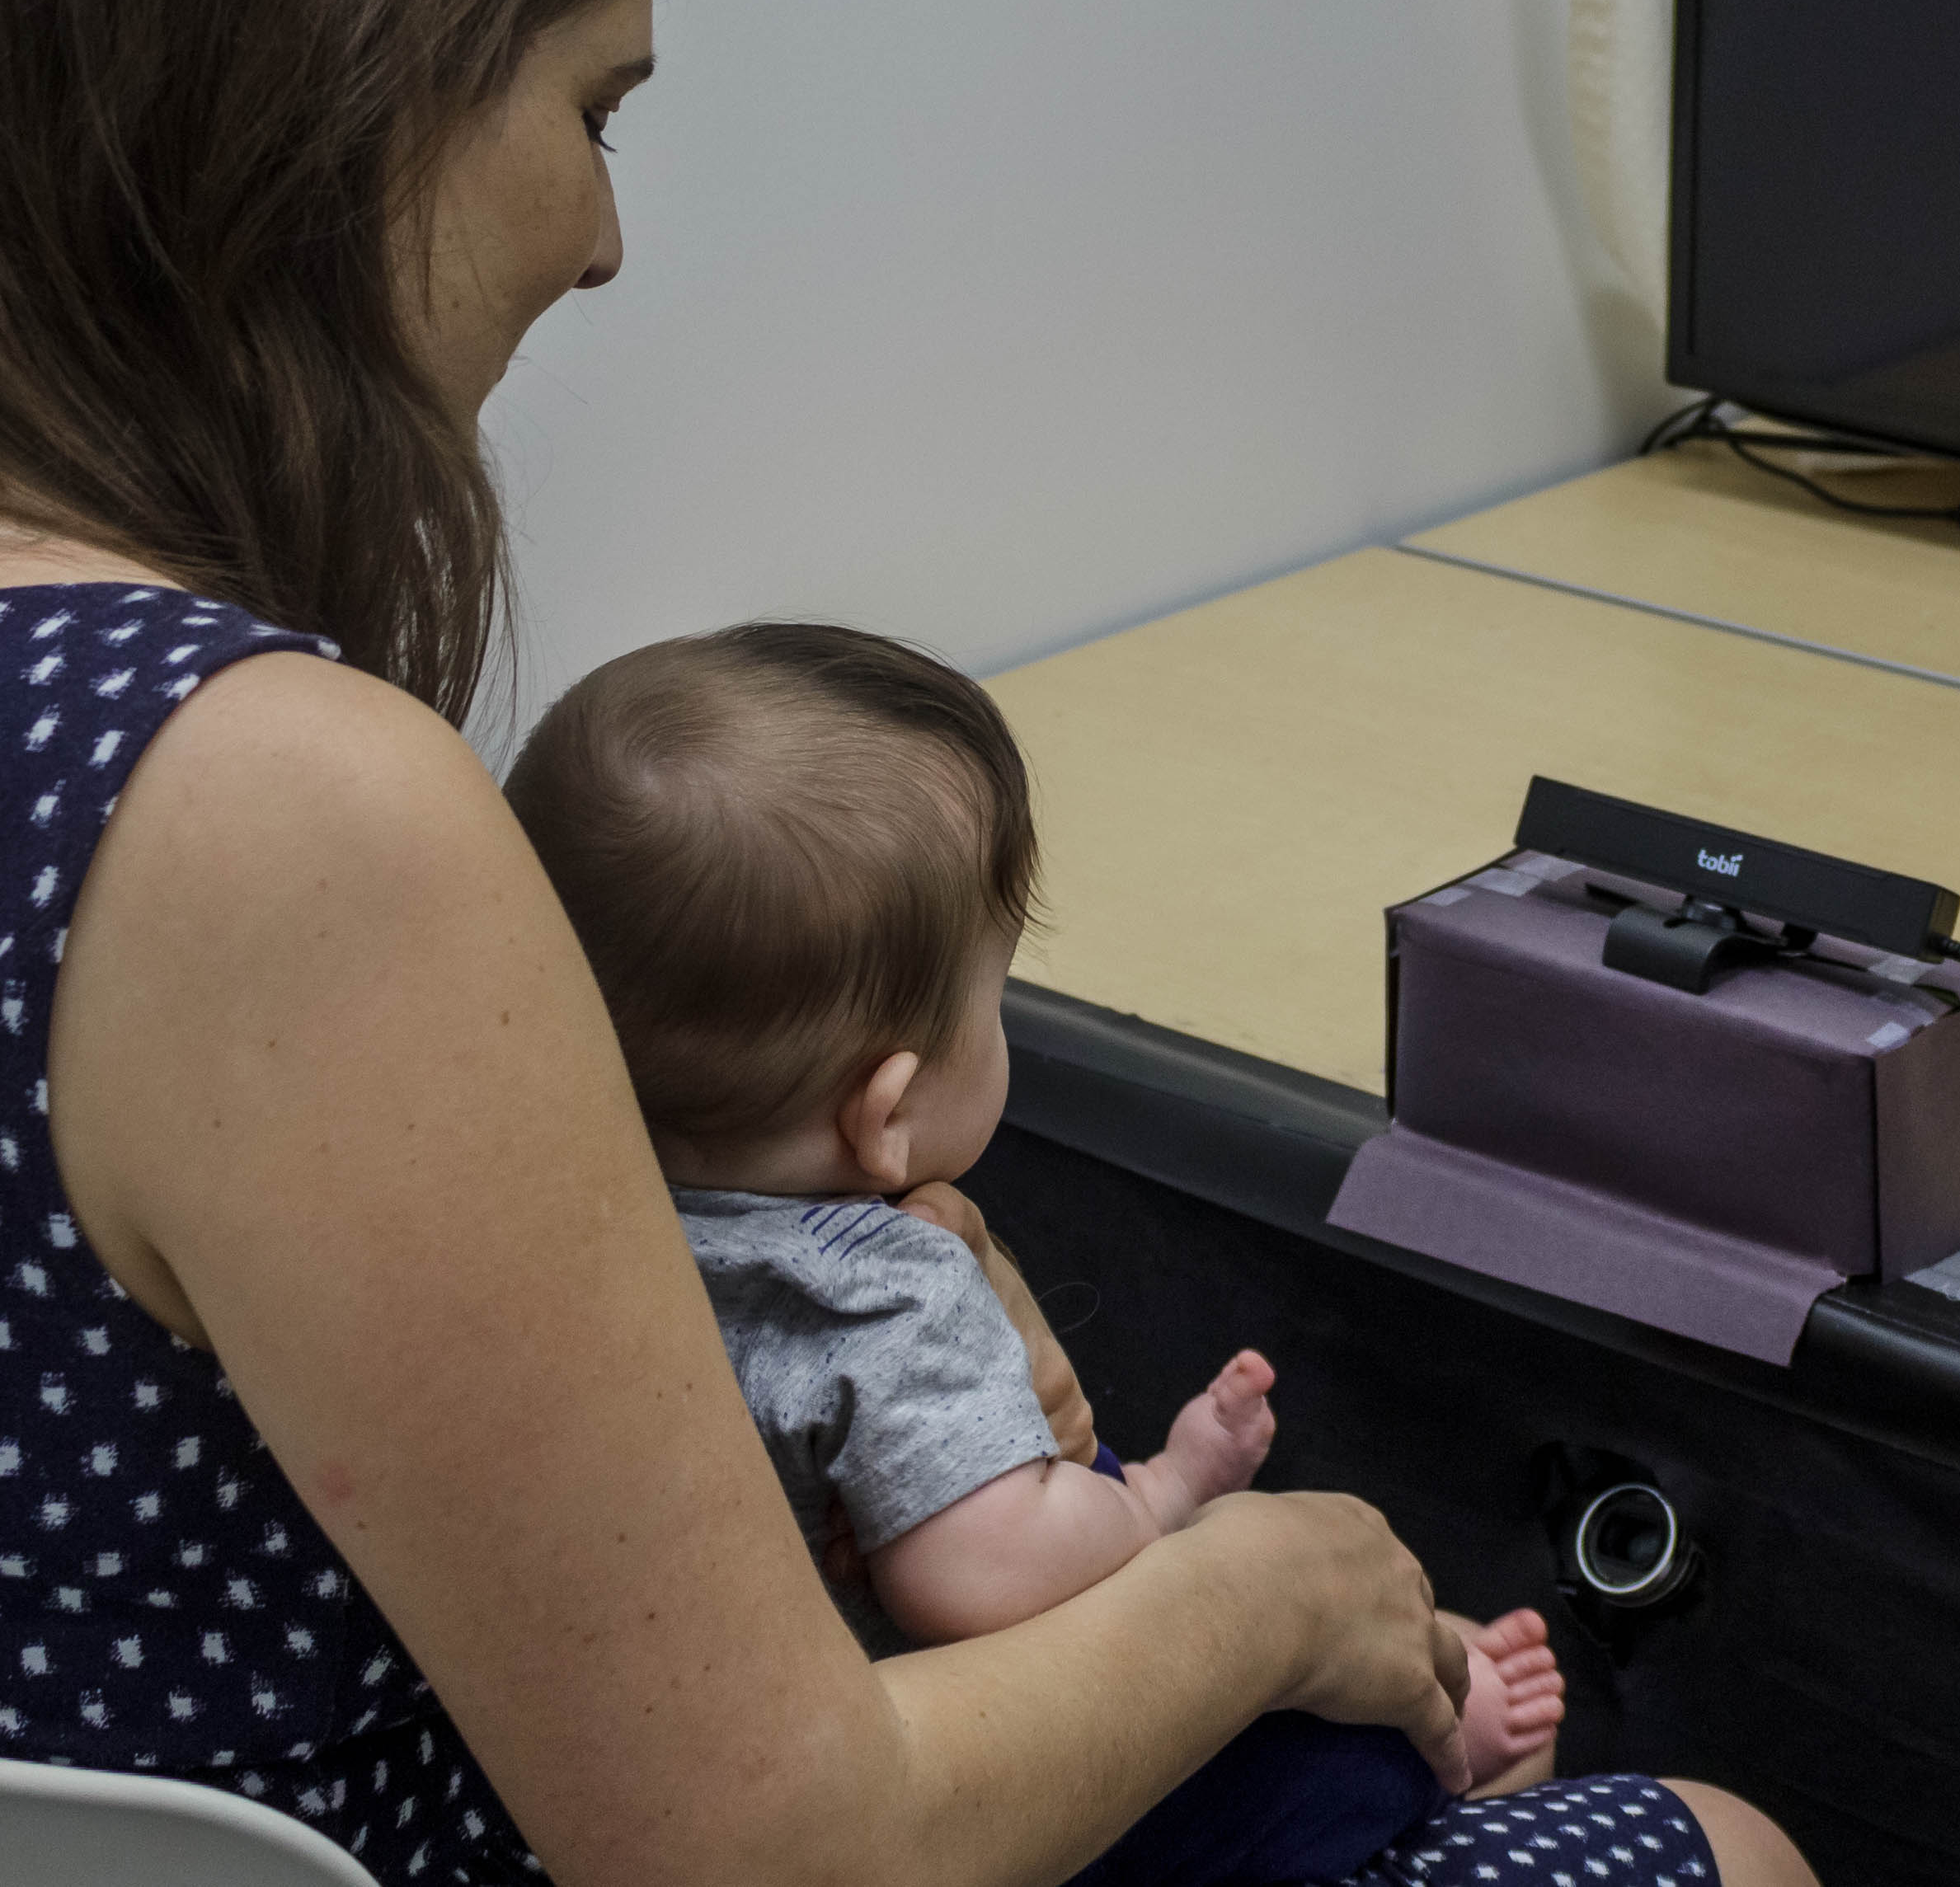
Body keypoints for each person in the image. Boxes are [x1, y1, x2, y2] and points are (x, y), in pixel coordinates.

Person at [0, 0, 1814, 1887]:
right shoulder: (270, 807)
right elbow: (780, 1852)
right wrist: (1269, 1593)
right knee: (1712, 1839)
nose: (605, 236)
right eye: (587, 105)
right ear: (332, 73)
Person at [505, 622, 1584, 1883]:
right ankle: (1461, 1773)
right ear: (888, 1110)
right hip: (1005, 1792)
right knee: (1398, 1738)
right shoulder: (878, 1282)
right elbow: (984, 1576)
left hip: (743, 1731)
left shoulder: (572, 1213)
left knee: (1426, 1633)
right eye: (995, 991)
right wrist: (1165, 1499)